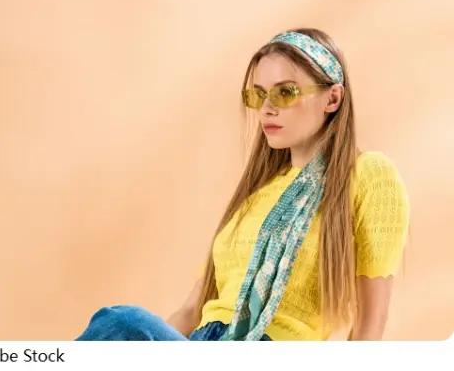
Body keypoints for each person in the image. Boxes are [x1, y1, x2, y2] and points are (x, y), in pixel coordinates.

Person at [75, 28, 410, 341]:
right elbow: (191, 311)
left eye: (285, 92)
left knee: (123, 320)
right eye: (259, 95)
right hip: (203, 345)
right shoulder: (255, 197)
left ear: (332, 99)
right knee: (121, 328)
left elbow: (371, 321)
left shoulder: (367, 174)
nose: (267, 109)